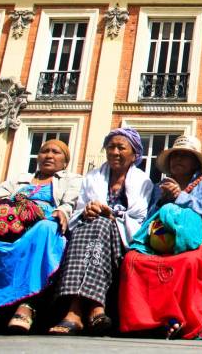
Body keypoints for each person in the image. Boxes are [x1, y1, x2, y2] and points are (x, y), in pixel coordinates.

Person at [48, 128, 154, 335]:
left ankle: (75, 311)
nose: (115, 152)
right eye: (111, 147)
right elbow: (78, 210)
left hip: (121, 238)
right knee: (94, 226)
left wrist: (112, 216)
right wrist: (87, 211)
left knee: (102, 225)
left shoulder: (143, 182)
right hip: (87, 233)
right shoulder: (92, 177)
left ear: (134, 154)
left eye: (121, 148)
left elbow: (139, 220)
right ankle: (96, 307)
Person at [119, 135, 202, 339]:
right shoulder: (160, 187)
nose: (179, 160)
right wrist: (162, 204)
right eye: (175, 156)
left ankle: (181, 321)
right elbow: (148, 221)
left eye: (185, 156)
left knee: (188, 262)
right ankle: (148, 322)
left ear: (195, 162)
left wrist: (182, 198)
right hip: (161, 243)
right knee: (133, 260)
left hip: (199, 244)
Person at [0, 139, 82, 332]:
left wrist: (62, 212)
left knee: (46, 228)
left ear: (65, 162)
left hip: (44, 222)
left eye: (56, 152)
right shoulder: (19, 179)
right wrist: (12, 208)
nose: (49, 155)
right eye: (44, 151)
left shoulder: (71, 179)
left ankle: (27, 306)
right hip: (9, 223)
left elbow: (70, 203)